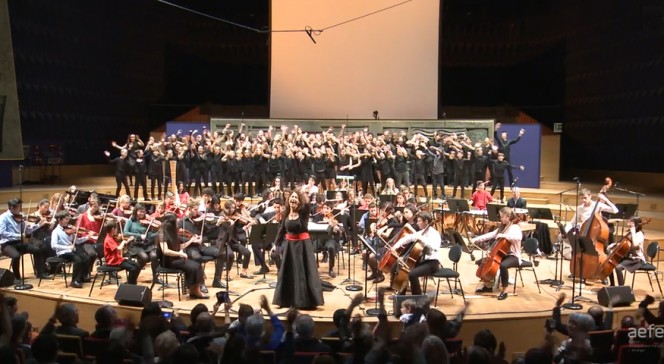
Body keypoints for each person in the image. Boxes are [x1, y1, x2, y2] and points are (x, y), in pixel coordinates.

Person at [271, 189, 324, 309]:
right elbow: (282, 229)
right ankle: (286, 299)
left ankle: (303, 301)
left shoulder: (303, 212)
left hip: (302, 245)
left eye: (296, 198)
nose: (293, 199)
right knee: (289, 272)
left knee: (301, 273)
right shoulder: (286, 212)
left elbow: (307, 206)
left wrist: (303, 196)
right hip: (290, 245)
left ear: (299, 201)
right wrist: (276, 244)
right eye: (291, 197)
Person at [472, 207, 522, 300]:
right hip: (502, 254)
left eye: (502, 217)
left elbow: (518, 237)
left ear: (508, 217)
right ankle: (488, 286)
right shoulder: (502, 227)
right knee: (482, 261)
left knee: (503, 266)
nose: (501, 219)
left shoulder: (515, 227)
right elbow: (490, 235)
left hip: (513, 255)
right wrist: (475, 239)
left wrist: (504, 236)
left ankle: (504, 291)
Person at [389, 211, 442, 295]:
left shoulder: (435, 234)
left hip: (432, 263)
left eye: (419, 221)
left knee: (412, 274)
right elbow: (407, 238)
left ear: (426, 222)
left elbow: (435, 247)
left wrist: (423, 240)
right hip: (421, 261)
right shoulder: (421, 233)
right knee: (401, 263)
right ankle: (401, 293)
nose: (417, 223)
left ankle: (417, 297)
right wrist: (395, 247)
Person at [157, 212, 208, 299]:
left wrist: (190, 241)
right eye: (175, 222)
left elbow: (178, 246)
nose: (177, 224)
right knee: (194, 266)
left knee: (197, 265)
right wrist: (180, 253)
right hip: (167, 261)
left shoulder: (172, 233)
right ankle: (195, 291)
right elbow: (165, 251)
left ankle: (194, 290)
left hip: (174, 259)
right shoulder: (162, 234)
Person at [0, 198, 50, 281]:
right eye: (19, 207)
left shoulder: (20, 217)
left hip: (19, 242)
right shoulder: (3, 217)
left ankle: (40, 273)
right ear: (12, 208)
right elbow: (2, 232)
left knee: (38, 250)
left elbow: (27, 231)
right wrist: (18, 235)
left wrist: (38, 225)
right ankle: (17, 277)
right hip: (7, 244)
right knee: (16, 256)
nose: (20, 209)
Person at [50, 211, 91, 288]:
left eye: (68, 219)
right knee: (78, 260)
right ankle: (74, 281)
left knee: (86, 258)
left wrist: (87, 237)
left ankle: (82, 277)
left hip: (71, 250)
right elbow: (53, 245)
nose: (68, 221)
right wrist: (68, 247)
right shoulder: (55, 232)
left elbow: (77, 241)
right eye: (66, 219)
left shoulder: (70, 229)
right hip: (62, 252)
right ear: (60, 220)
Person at [608, 216, 646, 286]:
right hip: (628, 257)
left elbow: (635, 244)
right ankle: (612, 285)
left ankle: (621, 288)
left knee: (618, 268)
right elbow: (624, 244)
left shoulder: (640, 234)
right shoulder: (631, 233)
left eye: (631, 222)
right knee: (610, 263)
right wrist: (614, 245)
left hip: (636, 259)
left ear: (636, 224)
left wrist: (633, 232)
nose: (628, 224)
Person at [102, 220, 141, 285]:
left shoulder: (112, 237)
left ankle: (130, 282)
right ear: (113, 229)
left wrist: (128, 240)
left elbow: (120, 246)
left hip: (118, 259)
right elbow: (119, 248)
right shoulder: (108, 239)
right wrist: (123, 242)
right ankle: (131, 284)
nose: (117, 230)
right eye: (116, 228)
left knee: (137, 265)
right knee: (133, 269)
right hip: (113, 261)